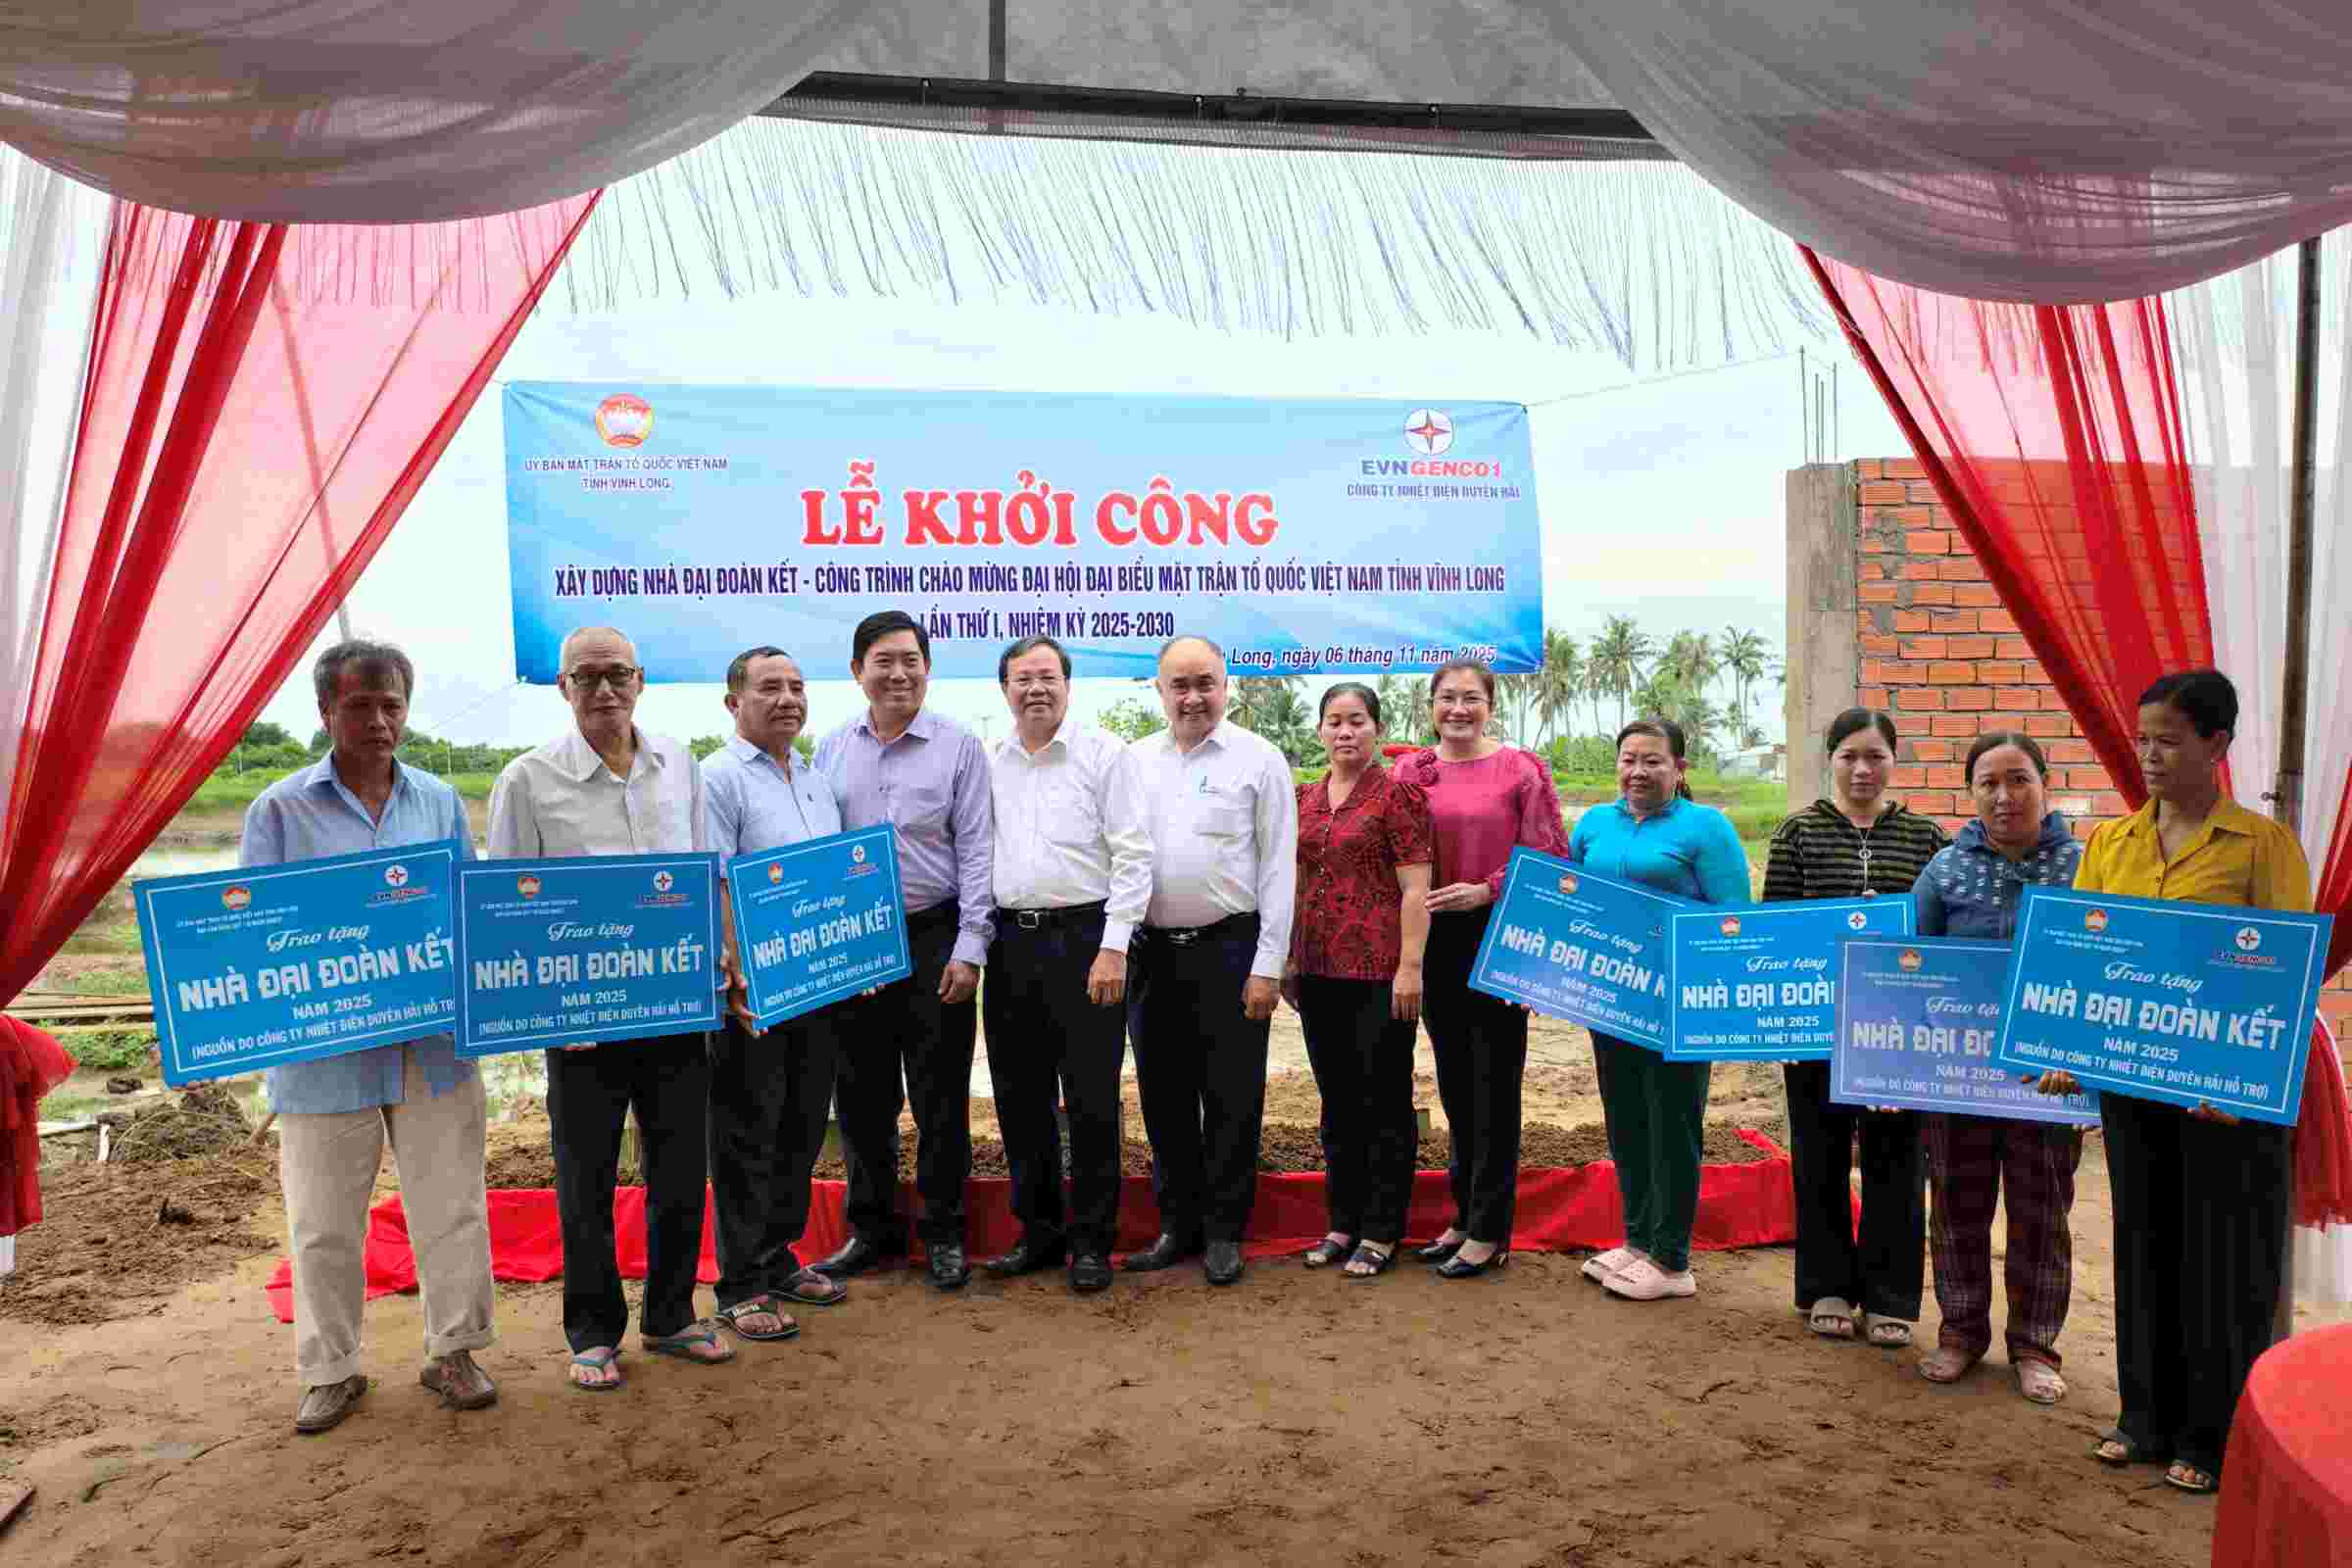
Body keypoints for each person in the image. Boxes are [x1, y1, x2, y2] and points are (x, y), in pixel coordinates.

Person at [2031, 670, 2312, 1494]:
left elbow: (2284, 976)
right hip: (2134, 1086)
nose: (2149, 755)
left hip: (2225, 1096)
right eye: (2142, 739)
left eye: (2169, 740)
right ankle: (2143, 1419)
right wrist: (2066, 1050)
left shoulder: (2262, 846)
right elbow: (2084, 962)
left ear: (2217, 745)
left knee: (2224, 1259)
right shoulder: (2112, 845)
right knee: (2144, 1242)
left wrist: (2244, 1079)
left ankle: (2213, 1438)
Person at [241, 640, 495, 1433]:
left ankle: (454, 1352)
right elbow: (253, 930)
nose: (379, 721)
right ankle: (332, 1371)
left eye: (392, 705)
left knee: (452, 1206)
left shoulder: (439, 801)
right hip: (325, 1052)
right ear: (326, 712)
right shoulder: (279, 809)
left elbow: (464, 907)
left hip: (434, 1046)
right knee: (322, 1223)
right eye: (361, 705)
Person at [487, 625, 734, 1390]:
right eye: (586, 676)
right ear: (563, 687)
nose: (603, 689)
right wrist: (548, 1011)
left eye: (616, 674)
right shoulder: (527, 780)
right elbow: (504, 905)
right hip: (581, 1024)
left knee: (679, 1169)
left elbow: (704, 876)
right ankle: (593, 1331)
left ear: (640, 680)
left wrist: (720, 957)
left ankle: (671, 1316)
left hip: (675, 1011)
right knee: (584, 1178)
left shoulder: (679, 765)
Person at [810, 611, 995, 1291]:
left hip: (934, 937)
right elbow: (816, 852)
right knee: (861, 1096)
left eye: (910, 660)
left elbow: (977, 849)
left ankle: (944, 1232)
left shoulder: (959, 746)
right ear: (857, 671)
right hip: (854, 941)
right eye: (883, 661)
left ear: (928, 667)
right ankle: (872, 1230)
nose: (898, 673)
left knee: (940, 1095)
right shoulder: (830, 749)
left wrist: (969, 947)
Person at [1762, 709, 1945, 1348]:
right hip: (1817, 1023)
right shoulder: (1799, 834)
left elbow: (1938, 933)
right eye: (1849, 756)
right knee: (1820, 1155)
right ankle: (1827, 1288)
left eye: (1875, 756)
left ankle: (1891, 1296)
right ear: (1831, 760)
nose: (1862, 769)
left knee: (1899, 1157)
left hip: (1898, 1030)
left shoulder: (1925, 838)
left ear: (1894, 760)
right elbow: (1776, 931)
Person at [1912, 731, 2083, 1403]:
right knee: (1957, 1206)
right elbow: (1910, 966)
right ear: (1971, 793)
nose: (2004, 795)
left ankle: (2035, 1346)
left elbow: (2103, 972)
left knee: (2043, 1213)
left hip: (2047, 1081)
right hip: (1959, 1080)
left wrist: (2082, 1066)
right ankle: (1960, 1333)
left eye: (2019, 780)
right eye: (1988, 783)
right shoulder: (1943, 870)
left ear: (2045, 784)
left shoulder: (2083, 867)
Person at [980, 635, 1152, 1295]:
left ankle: (1092, 1241)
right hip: (1010, 946)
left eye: (1047, 676)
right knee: (1019, 1098)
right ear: (1005, 690)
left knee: (1090, 1099)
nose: (1035, 689)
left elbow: (1133, 855)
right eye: (1022, 678)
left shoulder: (1105, 754)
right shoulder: (989, 759)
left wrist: (1114, 946)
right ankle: (1039, 1232)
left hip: (1086, 941)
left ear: (1067, 685)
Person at [1123, 635, 1298, 1286]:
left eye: (1206, 684)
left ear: (1227, 687)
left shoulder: (1259, 759)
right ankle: (1177, 1227)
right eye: (1180, 685)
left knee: (1232, 1097)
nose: (1193, 697)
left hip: (1232, 951)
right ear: (1160, 690)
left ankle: (1225, 1231)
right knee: (1163, 1097)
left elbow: (1278, 867)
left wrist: (1268, 964)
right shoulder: (1134, 761)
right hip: (1152, 957)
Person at [1395, 661, 1567, 1279]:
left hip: (1499, 934)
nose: (1458, 709)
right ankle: (1464, 1215)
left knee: (1495, 1084)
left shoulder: (1522, 770)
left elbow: (1549, 854)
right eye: (1447, 698)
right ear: (1431, 706)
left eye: (1471, 698)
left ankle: (1492, 1230)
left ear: (1491, 705)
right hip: (1433, 935)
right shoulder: (1411, 770)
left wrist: (1487, 890)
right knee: (1455, 1083)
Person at [1569, 718, 1751, 1300]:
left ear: (1679, 768)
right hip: (1611, 999)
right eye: (1629, 760)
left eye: (1653, 761)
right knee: (1626, 1119)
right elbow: (1571, 901)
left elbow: (1733, 918)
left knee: (1673, 1124)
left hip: (1678, 1004)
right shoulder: (1594, 823)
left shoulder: (1707, 827)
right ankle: (1637, 1240)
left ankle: (1672, 1261)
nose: (1639, 772)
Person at [700, 646, 851, 1344]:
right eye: (769, 688)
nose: (788, 698)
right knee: (747, 1132)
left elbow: (833, 881)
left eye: (796, 685)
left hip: (815, 984)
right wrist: (735, 971)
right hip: (753, 991)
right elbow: (717, 880)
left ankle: (778, 1256)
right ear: (734, 703)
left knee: (800, 1125)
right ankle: (739, 1284)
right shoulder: (718, 778)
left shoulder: (816, 780)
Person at [1287, 682, 1433, 1280]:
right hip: (1318, 971)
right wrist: (1290, 959)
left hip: (1380, 972)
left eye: (1357, 721)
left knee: (1384, 1102)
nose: (1345, 732)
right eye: (1334, 722)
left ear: (1376, 728)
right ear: (1320, 730)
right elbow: (1298, 881)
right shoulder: (1305, 797)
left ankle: (1381, 1230)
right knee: (1337, 1103)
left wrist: (1410, 967)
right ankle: (1342, 1223)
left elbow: (1416, 889)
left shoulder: (1398, 795)